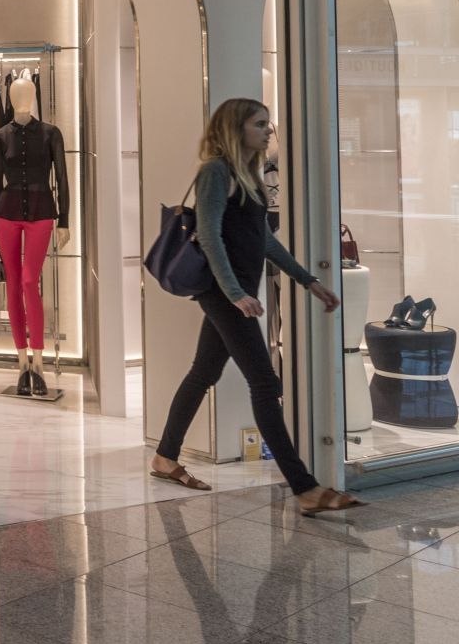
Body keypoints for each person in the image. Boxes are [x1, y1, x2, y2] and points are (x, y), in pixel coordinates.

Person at [150, 98, 363, 514]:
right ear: (235, 128)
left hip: (239, 290)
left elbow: (262, 239)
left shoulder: (249, 174)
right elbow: (209, 236)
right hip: (225, 292)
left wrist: (308, 281)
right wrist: (233, 293)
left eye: (269, 124)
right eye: (260, 124)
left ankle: (164, 457)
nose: (269, 132)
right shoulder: (215, 171)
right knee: (265, 384)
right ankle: (305, 489)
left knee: (203, 373)